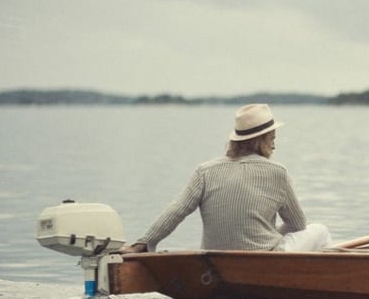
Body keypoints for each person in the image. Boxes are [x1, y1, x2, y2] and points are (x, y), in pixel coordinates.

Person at [117, 104, 332, 254]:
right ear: (261, 141)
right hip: (266, 258)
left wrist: (144, 243)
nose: (275, 146)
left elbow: (177, 210)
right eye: (272, 139)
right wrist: (267, 235)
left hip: (215, 258)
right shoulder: (278, 172)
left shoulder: (205, 171)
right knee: (319, 230)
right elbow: (298, 224)